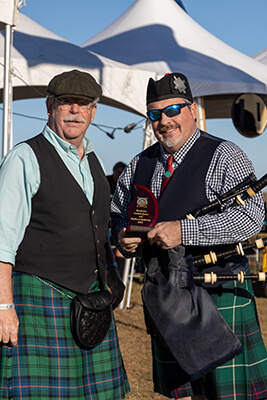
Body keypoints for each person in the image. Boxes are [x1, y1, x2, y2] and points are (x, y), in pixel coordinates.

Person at [111, 72, 267, 400]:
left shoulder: (225, 154)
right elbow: (117, 211)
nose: (164, 121)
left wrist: (185, 230)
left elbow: (251, 218)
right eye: (154, 114)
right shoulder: (141, 163)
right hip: (167, 296)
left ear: (192, 109)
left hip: (219, 292)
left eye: (173, 110)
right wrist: (122, 235)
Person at [0, 69, 130, 400]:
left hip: (91, 298)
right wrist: (4, 307)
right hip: (39, 297)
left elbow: (98, 226)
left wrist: (112, 269)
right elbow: (2, 243)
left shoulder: (94, 161)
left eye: (83, 104)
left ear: (93, 111)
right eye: (66, 103)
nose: (74, 111)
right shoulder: (24, 158)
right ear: (49, 106)